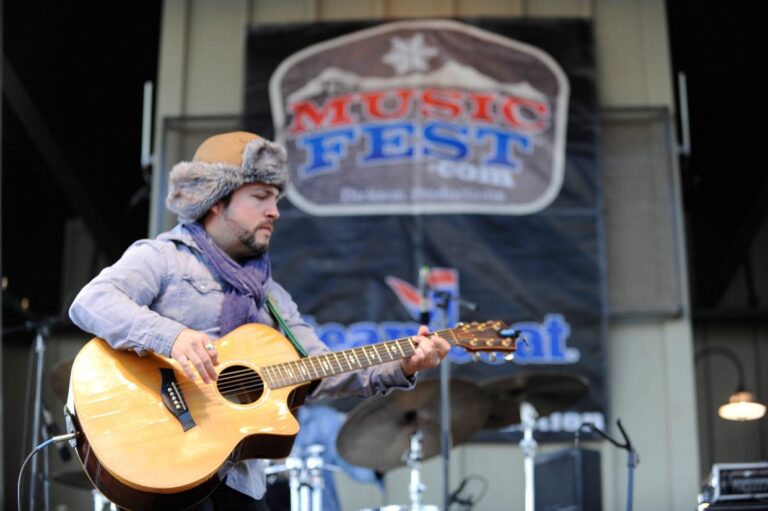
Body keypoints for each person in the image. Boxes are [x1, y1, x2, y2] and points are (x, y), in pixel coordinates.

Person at [68, 131, 450, 511]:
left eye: (276, 199)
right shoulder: (164, 259)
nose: (275, 211)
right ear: (216, 201)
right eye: (260, 197)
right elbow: (92, 302)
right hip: (165, 463)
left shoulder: (273, 297)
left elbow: (320, 369)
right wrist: (174, 338)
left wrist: (402, 363)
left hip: (241, 480)